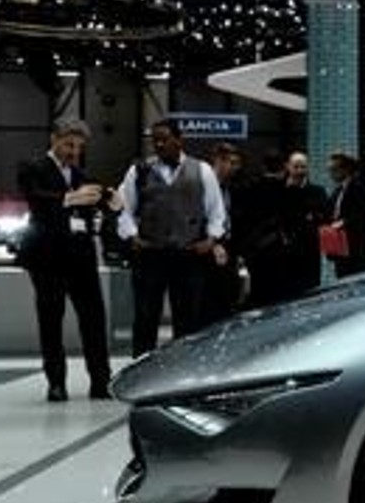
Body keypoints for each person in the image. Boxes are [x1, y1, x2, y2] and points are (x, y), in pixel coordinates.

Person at [16, 118, 116, 402]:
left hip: (81, 257)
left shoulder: (82, 174)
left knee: (94, 318)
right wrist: (70, 198)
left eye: (79, 147)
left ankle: (101, 381)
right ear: (54, 139)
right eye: (69, 145)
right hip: (47, 257)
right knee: (51, 320)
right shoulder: (32, 168)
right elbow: (36, 198)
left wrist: (109, 201)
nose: (74, 152)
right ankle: (56, 383)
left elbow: (95, 205)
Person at [115, 119, 228, 355]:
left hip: (188, 255)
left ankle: (184, 370)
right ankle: (141, 370)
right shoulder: (139, 171)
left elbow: (217, 211)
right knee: (145, 319)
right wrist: (132, 236)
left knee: (188, 321)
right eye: (154, 140)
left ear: (179, 140)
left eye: (164, 139)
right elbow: (124, 209)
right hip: (150, 255)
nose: (158, 144)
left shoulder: (202, 170)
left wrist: (211, 239)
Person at [247, 150, 326, 305]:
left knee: (309, 293)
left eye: (303, 167)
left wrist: (310, 217)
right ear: (288, 167)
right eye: (296, 167)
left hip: (308, 252)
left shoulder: (317, 191)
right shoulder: (278, 190)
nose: (300, 171)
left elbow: (322, 217)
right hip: (282, 254)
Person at [201, 142, 246, 323]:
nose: (236, 168)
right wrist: (213, 244)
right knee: (210, 304)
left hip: (228, 249)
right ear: (218, 161)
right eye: (232, 163)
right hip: (208, 249)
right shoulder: (203, 186)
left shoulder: (229, 187)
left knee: (227, 302)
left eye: (238, 163)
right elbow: (198, 218)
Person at [324, 151, 365, 277]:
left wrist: (342, 222)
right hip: (339, 246)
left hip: (354, 246)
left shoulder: (357, 187)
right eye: (329, 170)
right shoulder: (337, 192)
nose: (331, 174)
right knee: (341, 276)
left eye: (333, 170)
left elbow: (361, 213)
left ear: (345, 170)